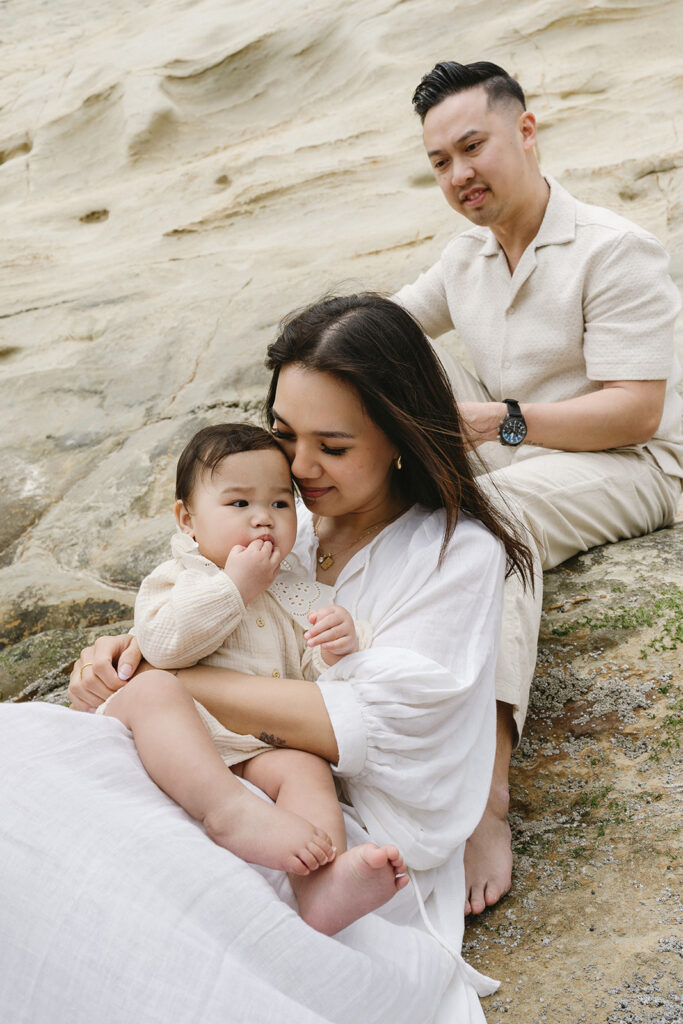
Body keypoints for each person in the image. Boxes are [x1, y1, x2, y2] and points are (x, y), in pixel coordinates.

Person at [38, 292, 534, 1023]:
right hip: (208, 757)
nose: (298, 470)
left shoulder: (454, 553)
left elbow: (363, 724)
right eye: (283, 435)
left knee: (169, 924)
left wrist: (168, 676)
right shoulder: (274, 518)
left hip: (334, 813)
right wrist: (128, 648)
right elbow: (197, 598)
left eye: (331, 447)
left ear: (398, 434)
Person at [394, 60, 683, 917]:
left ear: (525, 131)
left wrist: (492, 423)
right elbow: (384, 323)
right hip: (527, 448)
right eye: (439, 162)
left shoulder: (612, 247)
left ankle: (485, 794)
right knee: (392, 428)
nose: (458, 176)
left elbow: (633, 412)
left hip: (642, 463)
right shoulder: (467, 256)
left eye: (471, 146)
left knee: (496, 517)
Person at [101, 419, 409, 932]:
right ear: (187, 520)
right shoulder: (179, 577)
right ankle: (229, 812)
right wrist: (233, 588)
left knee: (306, 768)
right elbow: (162, 645)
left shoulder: (295, 591)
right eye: (239, 504)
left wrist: (338, 644)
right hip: (179, 736)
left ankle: (323, 885)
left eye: (280, 504)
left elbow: (312, 679)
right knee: (154, 688)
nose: (262, 519)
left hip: (254, 748)